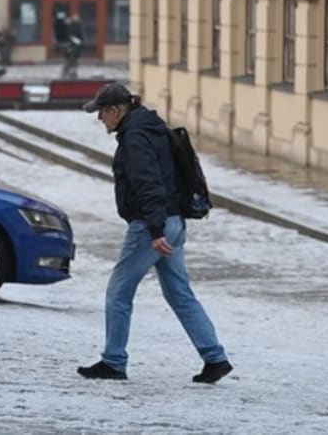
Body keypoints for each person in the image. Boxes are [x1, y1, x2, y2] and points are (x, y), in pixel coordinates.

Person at [77, 83, 232, 384]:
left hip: (152, 227)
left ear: (115, 110)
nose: (99, 119)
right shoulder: (151, 126)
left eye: (101, 112)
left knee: (118, 293)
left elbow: (148, 183)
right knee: (179, 294)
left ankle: (113, 362)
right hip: (173, 221)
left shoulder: (135, 137)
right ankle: (215, 358)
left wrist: (155, 230)